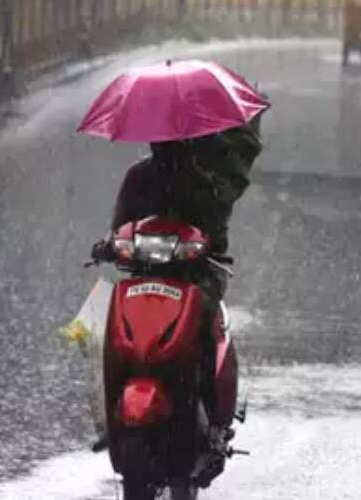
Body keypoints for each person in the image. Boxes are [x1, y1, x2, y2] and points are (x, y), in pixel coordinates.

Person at [91, 111, 264, 421]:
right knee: (106, 326)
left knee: (204, 319)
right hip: (145, 275)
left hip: (200, 273)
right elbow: (119, 226)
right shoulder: (138, 176)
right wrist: (107, 247)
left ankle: (212, 412)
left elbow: (217, 225)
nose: (163, 144)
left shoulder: (209, 179)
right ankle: (108, 409)